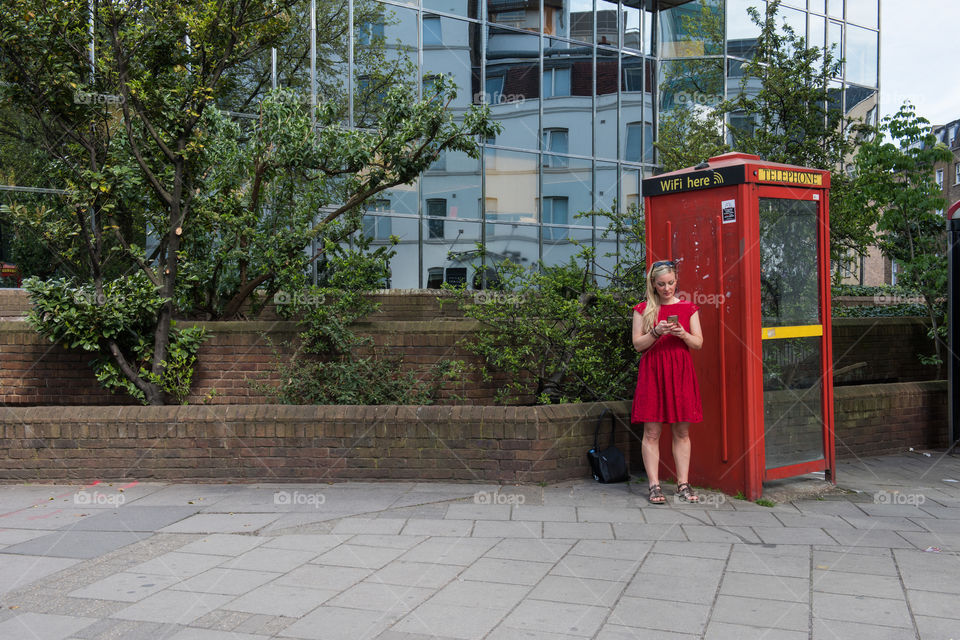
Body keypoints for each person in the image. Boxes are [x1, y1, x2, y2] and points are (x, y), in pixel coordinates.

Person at [631, 260, 704, 504]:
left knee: (682, 430)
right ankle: (654, 485)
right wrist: (656, 332)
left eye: (671, 283)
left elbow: (698, 343)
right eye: (661, 284)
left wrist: (682, 333)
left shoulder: (689, 308)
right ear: (653, 284)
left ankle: (683, 484)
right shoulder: (642, 309)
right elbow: (637, 345)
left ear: (676, 281)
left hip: (680, 372)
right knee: (651, 431)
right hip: (653, 372)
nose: (667, 288)